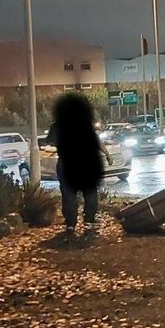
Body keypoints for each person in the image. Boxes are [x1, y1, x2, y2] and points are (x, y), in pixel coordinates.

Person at [48, 92, 104, 234]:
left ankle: (71, 224)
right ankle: (89, 220)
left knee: (69, 195)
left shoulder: (57, 126)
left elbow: (51, 141)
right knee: (90, 193)